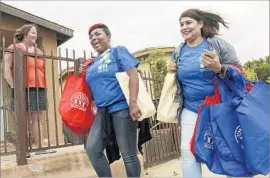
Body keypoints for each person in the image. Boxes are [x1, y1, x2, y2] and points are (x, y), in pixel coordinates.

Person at [168, 9, 248, 178]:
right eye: (181, 24)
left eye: (188, 22)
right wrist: (171, 70)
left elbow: (241, 74)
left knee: (230, 150)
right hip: (191, 108)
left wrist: (220, 68)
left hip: (220, 108)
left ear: (201, 23)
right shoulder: (179, 52)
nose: (184, 27)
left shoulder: (217, 45)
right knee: (187, 152)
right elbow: (179, 81)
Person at [79, 23, 142, 177]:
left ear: (108, 36)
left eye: (98, 34)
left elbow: (133, 75)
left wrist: (133, 103)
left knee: (129, 154)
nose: (94, 38)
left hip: (121, 108)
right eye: (91, 37)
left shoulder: (117, 52)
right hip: (102, 112)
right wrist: (83, 73)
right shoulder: (92, 63)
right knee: (92, 149)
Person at [4, 24, 47, 154]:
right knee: (23, 118)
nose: (35, 35)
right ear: (24, 33)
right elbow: (6, 68)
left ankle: (39, 147)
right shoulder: (14, 48)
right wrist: (13, 86)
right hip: (22, 88)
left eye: (36, 33)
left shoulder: (39, 52)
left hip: (39, 87)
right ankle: (24, 149)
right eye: (32, 32)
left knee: (37, 119)